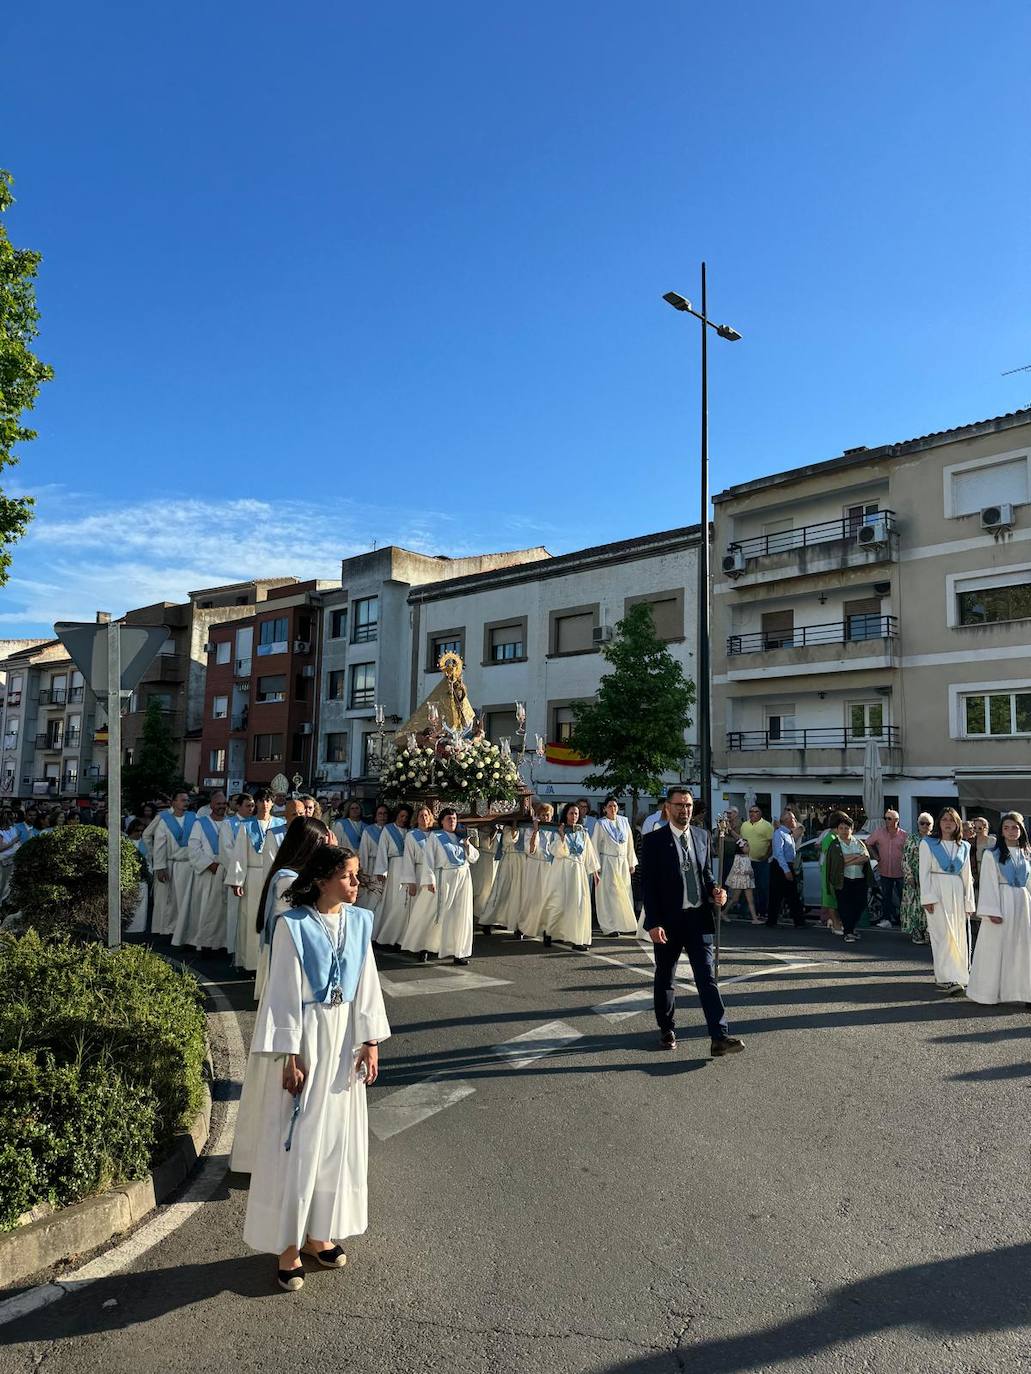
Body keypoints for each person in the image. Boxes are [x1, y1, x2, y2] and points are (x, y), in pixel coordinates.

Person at [234, 846, 389, 1291]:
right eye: (347, 876)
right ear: (322, 879)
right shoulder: (294, 926)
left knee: (337, 1140)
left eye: (357, 875)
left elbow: (367, 983)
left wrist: (371, 1041)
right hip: (309, 1039)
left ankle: (319, 1233)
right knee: (299, 1141)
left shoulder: (359, 922)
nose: (356, 884)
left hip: (345, 1041)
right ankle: (287, 1245)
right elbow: (282, 992)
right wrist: (291, 1054)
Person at [640, 787, 741, 1057]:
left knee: (707, 978)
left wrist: (716, 892)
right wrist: (652, 922)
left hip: (698, 919)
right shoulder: (653, 841)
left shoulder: (702, 836)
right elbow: (647, 886)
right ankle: (667, 1029)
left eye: (688, 805)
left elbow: (706, 875)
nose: (685, 810)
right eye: (679, 805)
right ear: (667, 808)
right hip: (668, 922)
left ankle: (719, 1036)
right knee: (665, 978)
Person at [254, 817, 332, 1000]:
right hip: (288, 952)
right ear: (309, 844)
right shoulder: (287, 879)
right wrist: (331, 856)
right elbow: (323, 902)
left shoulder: (294, 874)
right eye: (321, 842)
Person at [966, 812, 1031, 1006]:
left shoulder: (1027, 853)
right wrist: (992, 910)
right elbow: (988, 883)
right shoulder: (992, 855)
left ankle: (1024, 992)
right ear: (1001, 831)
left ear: (1022, 830)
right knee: (996, 949)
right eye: (1007, 827)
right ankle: (988, 993)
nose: (1012, 831)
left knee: (1022, 949)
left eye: (1015, 827)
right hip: (1001, 903)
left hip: (1023, 905)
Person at [226, 789, 287, 973]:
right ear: (257, 803)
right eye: (262, 801)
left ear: (273, 802)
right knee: (251, 918)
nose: (265, 804)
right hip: (252, 876)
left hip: (274, 876)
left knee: (272, 918)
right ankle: (249, 963)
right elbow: (239, 854)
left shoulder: (281, 824)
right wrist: (237, 880)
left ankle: (270, 964)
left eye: (269, 800)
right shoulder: (246, 825)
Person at [919, 806, 975, 995]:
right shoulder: (928, 844)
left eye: (952, 819)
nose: (948, 823)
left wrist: (969, 902)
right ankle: (945, 977)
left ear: (958, 823)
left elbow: (967, 877)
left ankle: (959, 975)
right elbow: (924, 873)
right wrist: (927, 897)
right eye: (944, 819)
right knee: (942, 935)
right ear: (939, 823)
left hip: (957, 892)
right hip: (937, 891)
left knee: (957, 935)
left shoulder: (964, 846)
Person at [415, 807, 479, 964]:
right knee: (437, 914)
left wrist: (466, 844)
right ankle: (426, 947)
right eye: (449, 819)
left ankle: (459, 952)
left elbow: (474, 858)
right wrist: (429, 880)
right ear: (442, 821)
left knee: (461, 915)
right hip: (444, 879)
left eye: (454, 819)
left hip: (463, 878)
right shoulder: (435, 837)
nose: (452, 822)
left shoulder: (461, 837)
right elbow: (428, 860)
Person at [540, 802, 599, 951]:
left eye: (576, 814)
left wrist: (595, 872)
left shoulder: (583, 832)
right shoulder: (557, 831)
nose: (574, 816)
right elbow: (555, 852)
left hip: (577, 873)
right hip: (561, 869)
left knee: (577, 905)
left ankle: (576, 939)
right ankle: (550, 932)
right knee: (558, 902)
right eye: (571, 813)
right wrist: (561, 837)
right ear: (566, 814)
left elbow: (589, 854)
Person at [177, 790, 231, 953]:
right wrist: (209, 864)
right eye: (218, 804)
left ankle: (221, 942)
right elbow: (193, 848)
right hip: (206, 874)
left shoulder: (231, 823)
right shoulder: (200, 823)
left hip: (225, 872)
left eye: (224, 804)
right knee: (203, 907)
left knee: (222, 910)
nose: (221, 807)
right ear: (211, 805)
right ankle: (200, 941)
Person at [144, 792, 196, 938]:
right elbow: (159, 844)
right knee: (167, 899)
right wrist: (158, 864)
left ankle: (183, 930)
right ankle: (166, 929)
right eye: (182, 800)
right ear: (173, 802)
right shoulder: (164, 820)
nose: (186, 803)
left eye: (187, 800)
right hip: (170, 864)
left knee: (185, 899)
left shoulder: (193, 818)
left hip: (189, 865)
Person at [825, 812, 874, 944]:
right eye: (841, 828)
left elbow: (865, 857)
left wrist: (848, 859)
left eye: (847, 828)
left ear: (852, 830)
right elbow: (838, 861)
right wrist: (854, 857)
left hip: (859, 879)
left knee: (860, 904)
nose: (844, 831)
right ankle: (848, 932)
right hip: (843, 880)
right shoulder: (835, 845)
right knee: (845, 906)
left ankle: (850, 928)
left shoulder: (858, 842)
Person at [593, 797, 638, 936]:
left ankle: (623, 924)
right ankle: (609, 926)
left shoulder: (624, 821)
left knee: (623, 892)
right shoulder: (601, 824)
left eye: (615, 806)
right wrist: (596, 866)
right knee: (608, 894)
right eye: (610, 806)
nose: (613, 808)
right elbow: (594, 845)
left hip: (623, 863)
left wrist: (631, 862)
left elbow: (630, 842)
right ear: (604, 808)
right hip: (608, 862)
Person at [398, 806, 437, 960]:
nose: (424, 818)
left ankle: (432, 943)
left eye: (426, 815)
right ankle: (420, 946)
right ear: (416, 818)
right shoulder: (412, 835)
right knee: (419, 912)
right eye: (421, 815)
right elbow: (408, 859)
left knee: (433, 912)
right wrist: (411, 882)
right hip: (419, 874)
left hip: (435, 875)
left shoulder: (437, 835)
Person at [372, 804, 413, 947]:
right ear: (396, 815)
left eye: (406, 817)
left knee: (404, 902)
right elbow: (382, 850)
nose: (404, 819)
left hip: (408, 868)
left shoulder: (410, 831)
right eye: (401, 816)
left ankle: (401, 936)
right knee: (391, 900)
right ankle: (385, 935)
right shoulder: (388, 830)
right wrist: (382, 871)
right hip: (394, 867)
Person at [480, 819, 527, 936]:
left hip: (522, 862)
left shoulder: (527, 827)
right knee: (501, 891)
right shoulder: (507, 828)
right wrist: (515, 825)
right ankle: (487, 921)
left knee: (519, 895)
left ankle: (519, 926)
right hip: (509, 861)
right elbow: (510, 840)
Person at [866, 810, 907, 929]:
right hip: (884, 871)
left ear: (896, 821)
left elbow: (909, 851)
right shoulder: (879, 832)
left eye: (889, 818)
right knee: (886, 897)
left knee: (903, 898)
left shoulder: (904, 835)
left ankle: (904, 920)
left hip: (900, 871)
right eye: (886, 818)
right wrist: (876, 856)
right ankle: (887, 919)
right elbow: (868, 843)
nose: (886, 820)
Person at [521, 803, 556, 940]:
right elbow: (530, 849)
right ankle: (524, 926)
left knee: (547, 899)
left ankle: (546, 929)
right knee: (531, 897)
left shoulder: (553, 830)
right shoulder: (530, 830)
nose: (546, 818)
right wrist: (535, 831)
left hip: (548, 866)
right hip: (534, 865)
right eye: (543, 815)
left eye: (548, 815)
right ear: (538, 816)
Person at [768, 810, 805, 927]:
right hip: (780, 866)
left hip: (787, 865)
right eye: (793, 819)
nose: (795, 821)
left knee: (790, 894)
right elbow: (779, 854)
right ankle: (773, 920)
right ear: (786, 821)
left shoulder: (789, 834)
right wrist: (786, 870)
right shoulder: (779, 834)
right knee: (780, 895)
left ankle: (797, 921)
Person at [900, 813, 933, 943]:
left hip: (930, 877)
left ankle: (928, 931)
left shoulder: (934, 840)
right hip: (914, 877)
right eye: (922, 823)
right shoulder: (911, 839)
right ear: (918, 824)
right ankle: (916, 931)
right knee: (914, 906)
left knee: (928, 906)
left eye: (928, 823)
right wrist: (909, 876)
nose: (925, 826)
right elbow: (905, 858)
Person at [740, 804, 774, 921]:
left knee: (762, 887)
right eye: (751, 811)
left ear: (760, 813)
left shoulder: (767, 826)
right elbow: (742, 841)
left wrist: (766, 856)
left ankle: (763, 911)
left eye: (755, 811)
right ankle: (747, 912)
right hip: (747, 861)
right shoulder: (744, 825)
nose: (752, 813)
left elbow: (772, 843)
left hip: (761, 862)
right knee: (747, 887)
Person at [357, 804, 388, 918]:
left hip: (386, 866)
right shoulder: (368, 830)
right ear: (375, 816)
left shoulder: (390, 830)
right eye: (380, 813)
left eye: (385, 814)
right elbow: (363, 851)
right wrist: (364, 871)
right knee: (369, 897)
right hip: (371, 865)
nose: (382, 816)